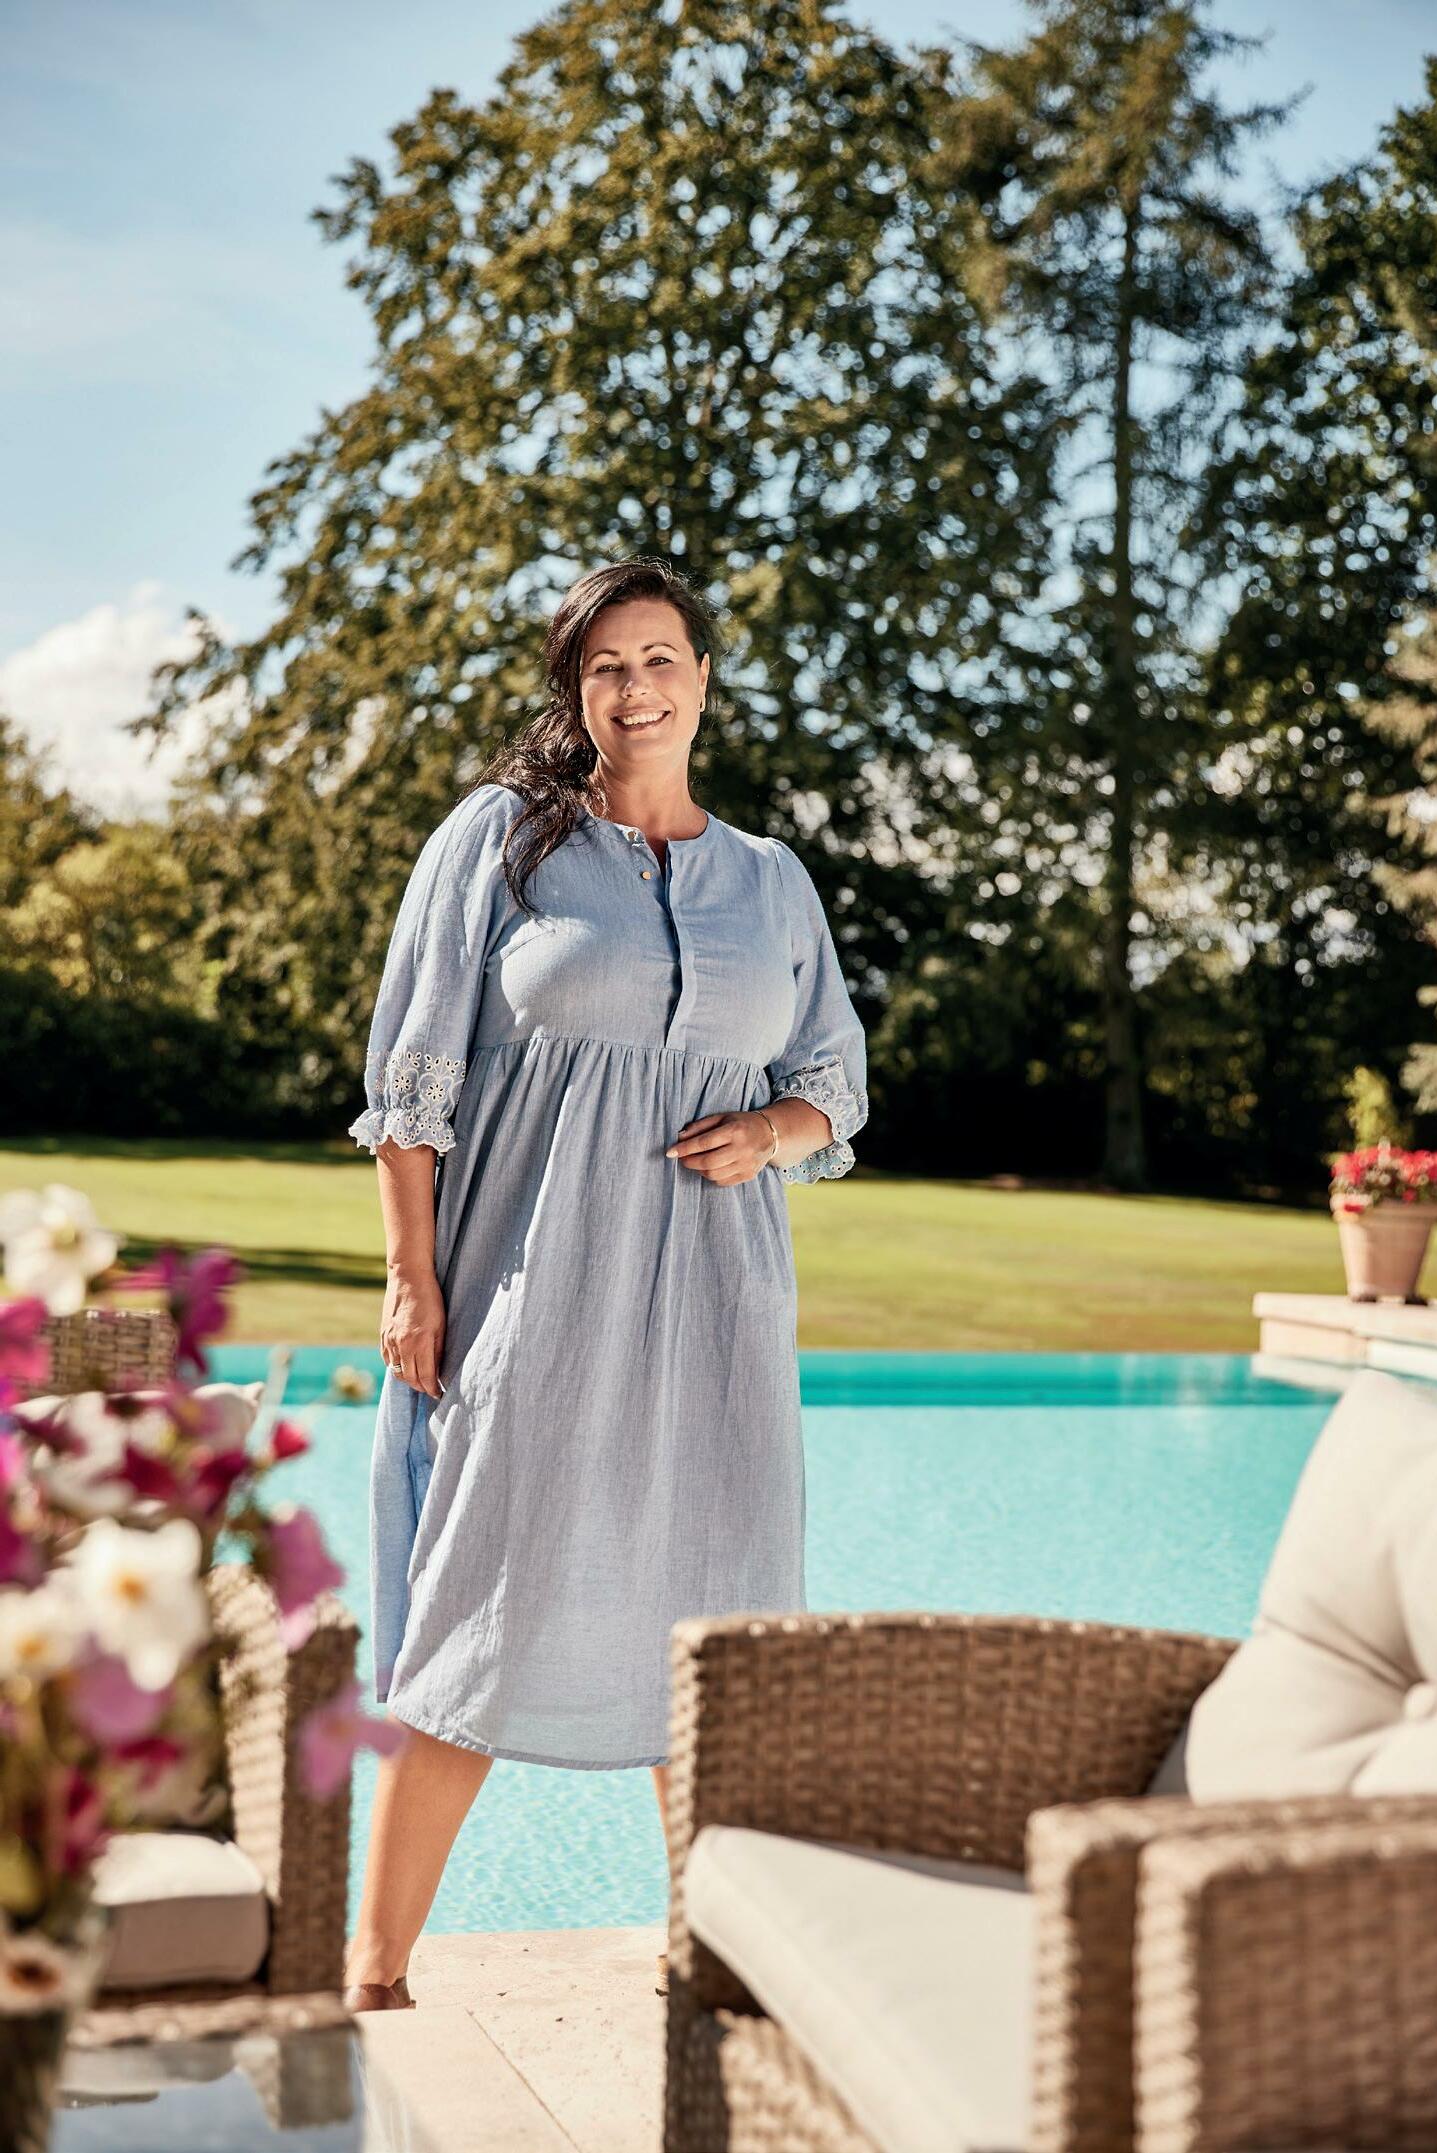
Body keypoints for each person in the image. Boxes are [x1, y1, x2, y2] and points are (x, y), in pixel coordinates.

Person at [342, 556, 869, 2009]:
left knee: (711, 1614)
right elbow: (411, 1085)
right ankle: (374, 1967)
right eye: (605, 667)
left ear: (703, 677)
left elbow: (833, 1081)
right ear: (577, 693)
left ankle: (710, 1948)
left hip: (721, 1305)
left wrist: (772, 1131)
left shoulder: (771, 882)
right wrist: (411, 1280)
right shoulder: (502, 841)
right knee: (477, 1598)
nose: (636, 689)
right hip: (531, 1289)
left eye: (660, 660)